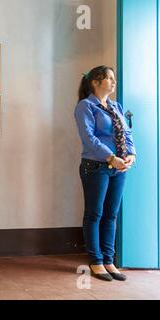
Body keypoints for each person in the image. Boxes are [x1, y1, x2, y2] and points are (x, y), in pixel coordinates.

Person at [74, 65, 136, 282]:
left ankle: (109, 260)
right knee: (95, 214)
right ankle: (96, 261)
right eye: (109, 78)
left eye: (113, 78)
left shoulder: (116, 105)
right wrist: (111, 158)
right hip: (96, 167)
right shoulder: (85, 106)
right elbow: (89, 139)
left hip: (119, 168)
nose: (113, 82)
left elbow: (127, 134)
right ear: (95, 82)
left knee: (111, 214)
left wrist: (131, 155)